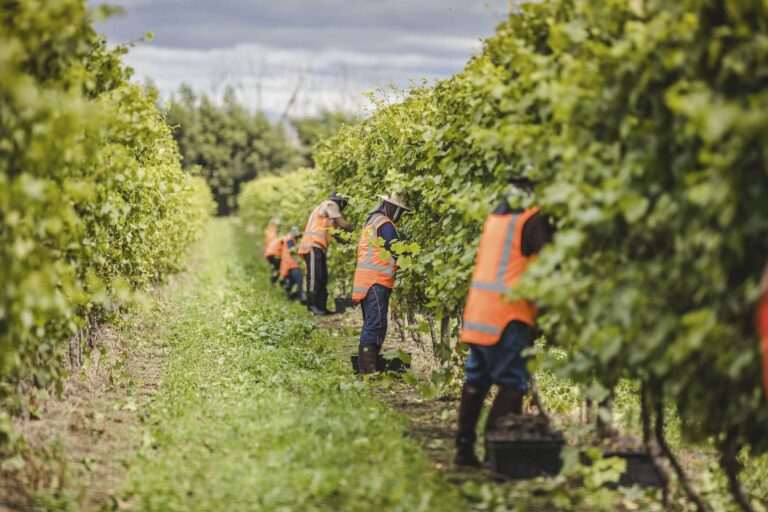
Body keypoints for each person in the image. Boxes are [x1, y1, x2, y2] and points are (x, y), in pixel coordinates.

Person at [454, 177, 553, 467]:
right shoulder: (531, 220)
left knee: (477, 380)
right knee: (512, 384)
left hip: (479, 313)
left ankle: (464, 450)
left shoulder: (496, 217)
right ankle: (496, 454)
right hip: (508, 316)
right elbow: (552, 260)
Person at [352, 192, 410, 374]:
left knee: (374, 322)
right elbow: (396, 250)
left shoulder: (372, 221)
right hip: (375, 281)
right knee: (375, 323)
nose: (400, 215)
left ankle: (370, 366)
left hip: (370, 280)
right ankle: (368, 370)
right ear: (392, 207)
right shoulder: (385, 224)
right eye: (400, 210)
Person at [298, 192, 353, 315]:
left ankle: (321, 308)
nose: (343, 209)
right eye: (344, 205)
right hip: (312, 245)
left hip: (319, 248)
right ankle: (312, 306)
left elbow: (339, 236)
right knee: (314, 277)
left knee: (322, 278)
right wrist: (357, 230)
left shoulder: (329, 219)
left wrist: (353, 243)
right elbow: (343, 224)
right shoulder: (330, 204)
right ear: (340, 202)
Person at [280, 226, 306, 302]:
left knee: (291, 281)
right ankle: (301, 297)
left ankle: (288, 297)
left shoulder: (291, 239)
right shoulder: (290, 240)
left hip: (288, 265)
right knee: (299, 280)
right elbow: (292, 250)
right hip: (291, 265)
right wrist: (299, 248)